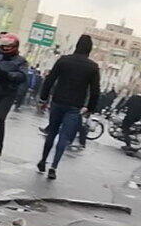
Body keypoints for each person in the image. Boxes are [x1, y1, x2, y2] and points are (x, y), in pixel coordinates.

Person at [36, 35, 101, 179]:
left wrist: (44, 97)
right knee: (64, 137)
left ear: (77, 45)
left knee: (52, 132)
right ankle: (53, 167)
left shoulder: (63, 60)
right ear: (89, 49)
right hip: (75, 106)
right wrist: (90, 108)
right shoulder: (93, 67)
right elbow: (96, 91)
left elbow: (50, 79)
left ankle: (42, 161)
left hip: (58, 101)